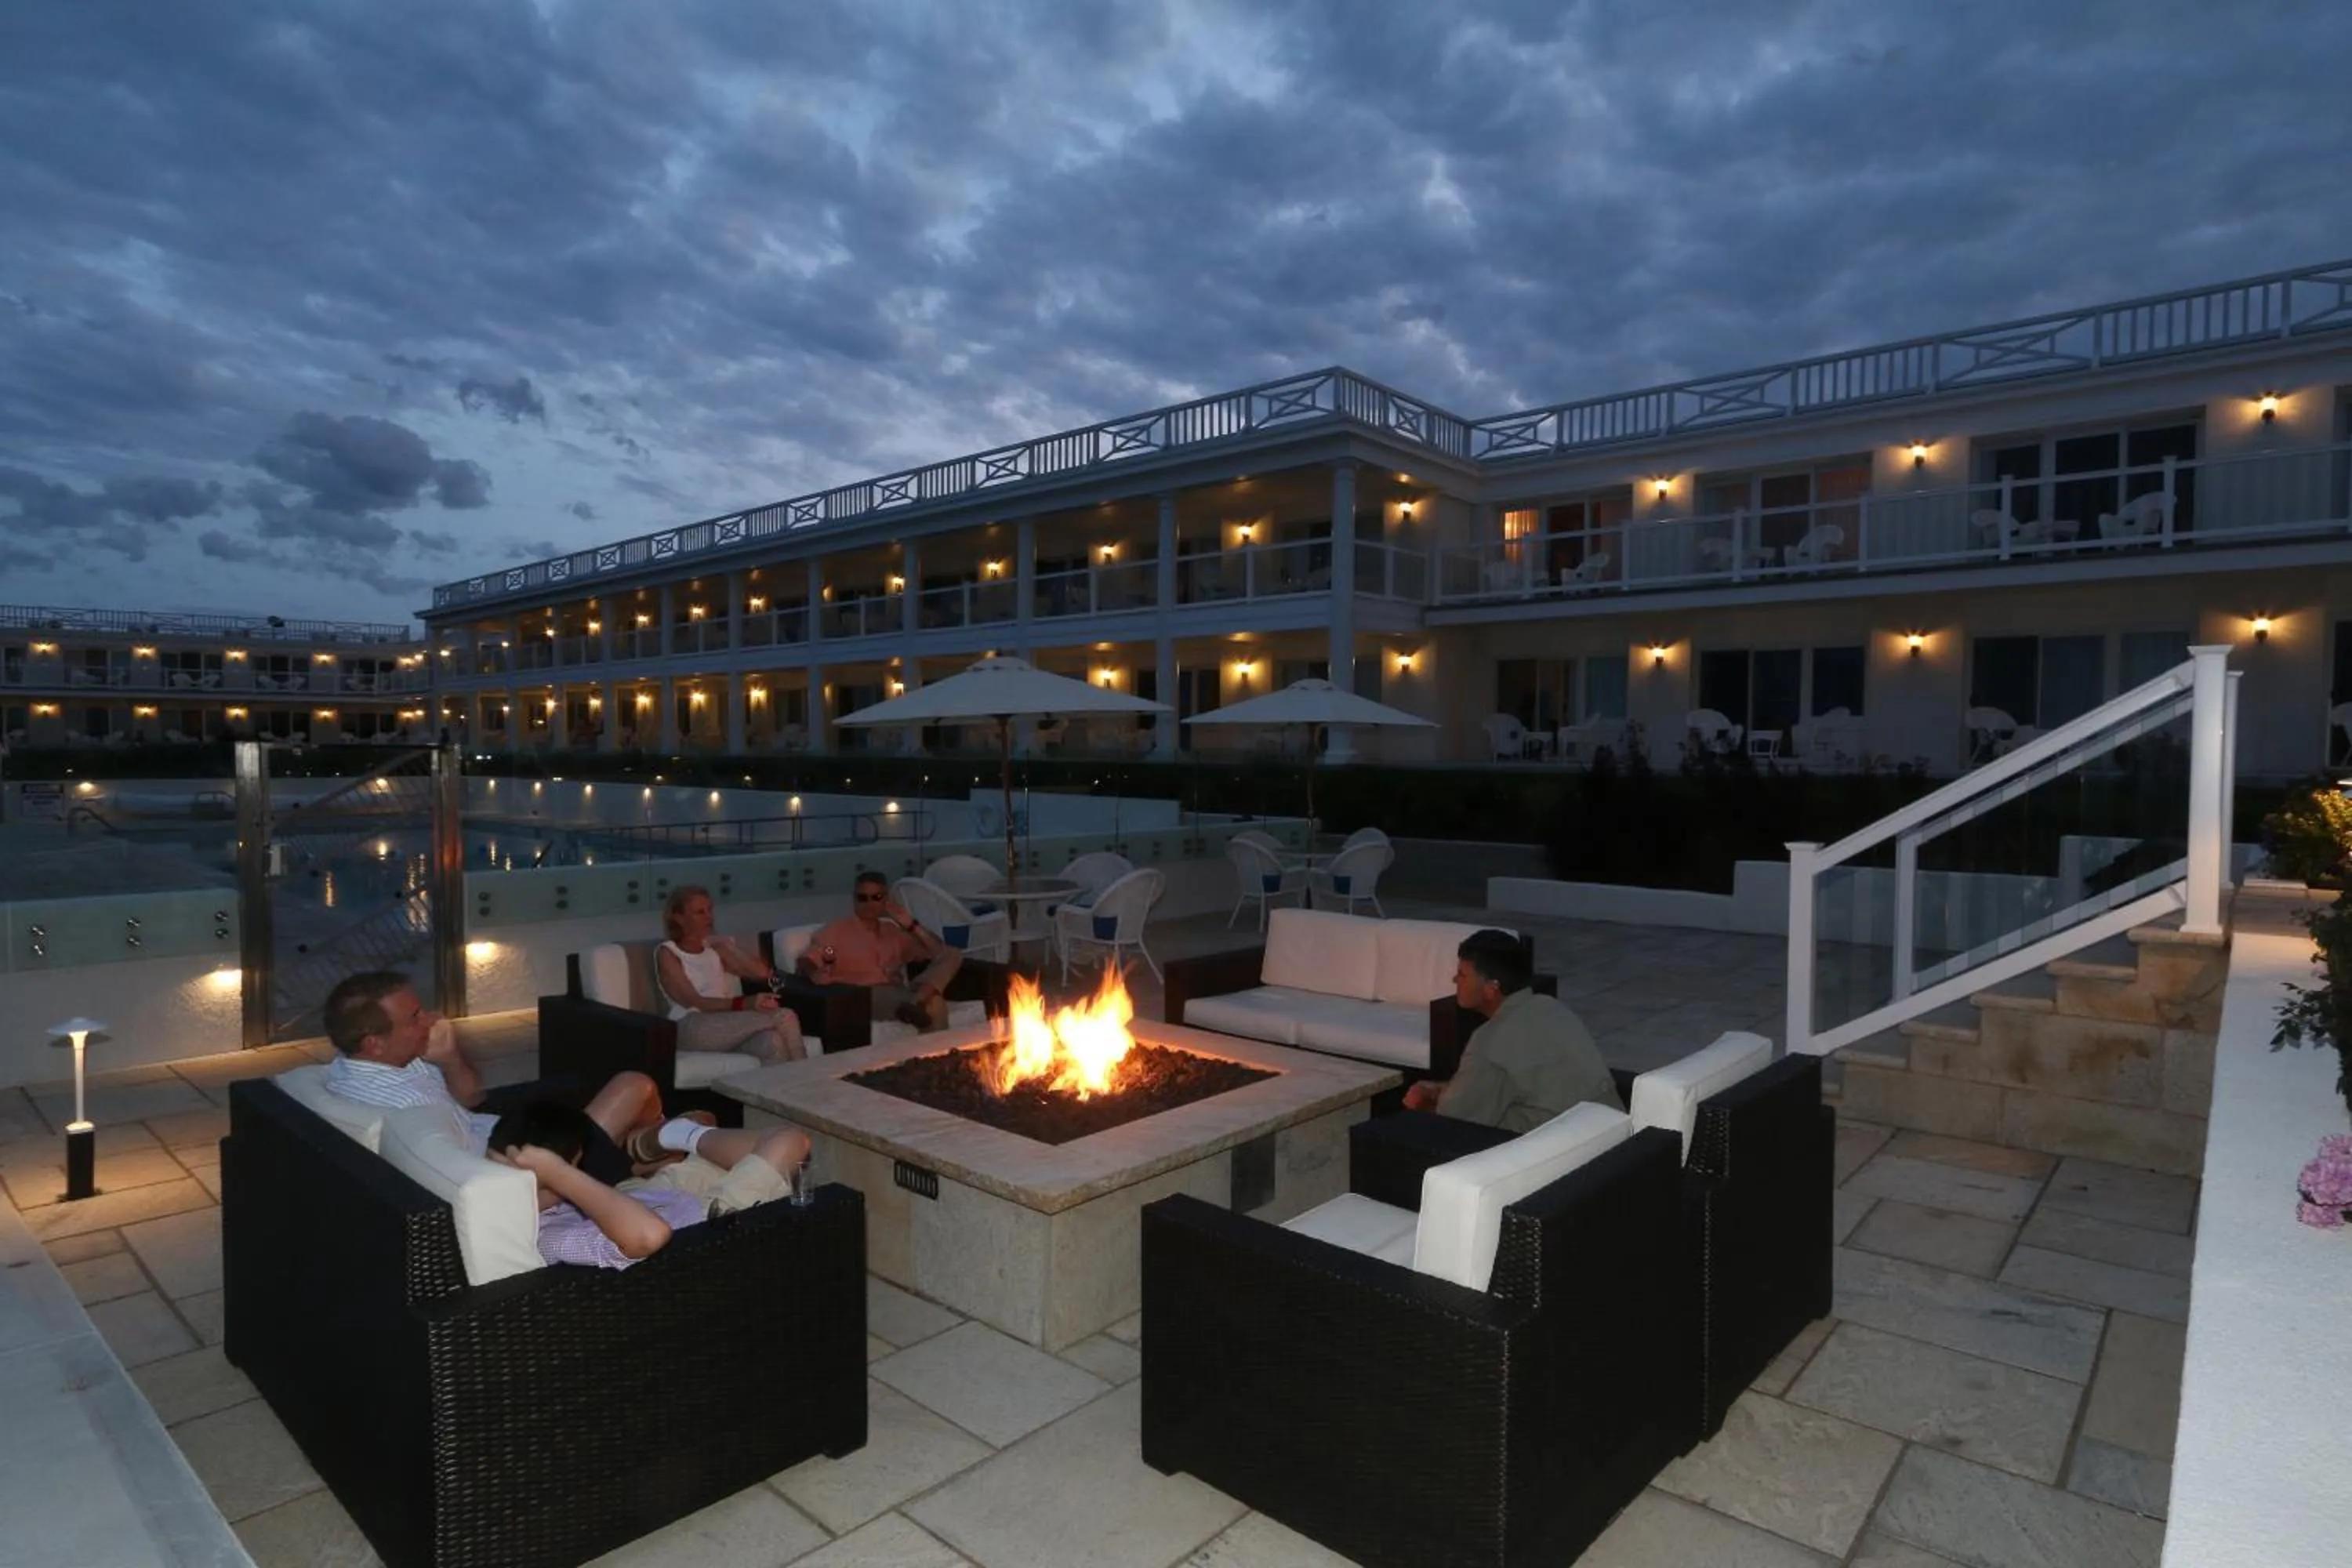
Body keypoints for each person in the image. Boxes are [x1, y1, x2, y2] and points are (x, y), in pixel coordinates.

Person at [320, 970, 685, 1185]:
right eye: (414, 1018)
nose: (430, 1019)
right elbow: (483, 1177)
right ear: (374, 1043)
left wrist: (450, 1060)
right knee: (637, 1086)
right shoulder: (405, 1111)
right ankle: (636, 1164)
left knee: (638, 1103)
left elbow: (471, 1100)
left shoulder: (364, 1064)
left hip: (500, 1130)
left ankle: (638, 1154)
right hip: (528, 1165)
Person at [488, 1101, 815, 1269]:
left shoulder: (508, 1192)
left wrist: (558, 1178)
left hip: (644, 1197)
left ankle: (673, 1137)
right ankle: (674, 1135)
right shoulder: (549, 1238)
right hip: (702, 1221)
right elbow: (650, 1236)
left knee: (753, 1137)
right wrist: (560, 1175)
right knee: (789, 1141)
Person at [1402, 928, 1622, 1133]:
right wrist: (1439, 1091)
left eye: (1462, 974)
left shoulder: (1489, 1041)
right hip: (1611, 1133)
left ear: (1491, 988)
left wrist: (1421, 1106)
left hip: (1561, 1150)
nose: (1455, 980)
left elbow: (1455, 1122)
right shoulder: (1550, 1007)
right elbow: (1489, 1087)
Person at [655, 884, 805, 1062]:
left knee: (772, 1043)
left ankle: (776, 1090)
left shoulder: (715, 950)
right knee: (785, 1016)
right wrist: (744, 1003)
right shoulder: (668, 952)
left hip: (727, 1023)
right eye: (700, 912)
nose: (708, 917)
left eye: (709, 910)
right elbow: (693, 1001)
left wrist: (729, 947)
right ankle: (808, 1084)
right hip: (692, 1026)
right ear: (679, 918)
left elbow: (762, 973)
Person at [801, 869, 964, 1031]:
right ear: (854, 900)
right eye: (862, 898)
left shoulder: (892, 931)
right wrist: (814, 974)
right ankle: (919, 1004)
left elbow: (938, 951)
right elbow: (807, 960)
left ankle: (919, 1003)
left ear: (885, 900)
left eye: (876, 898)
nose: (869, 904)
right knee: (934, 1003)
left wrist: (911, 925)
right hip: (864, 996)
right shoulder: (836, 930)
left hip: (897, 993)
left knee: (952, 956)